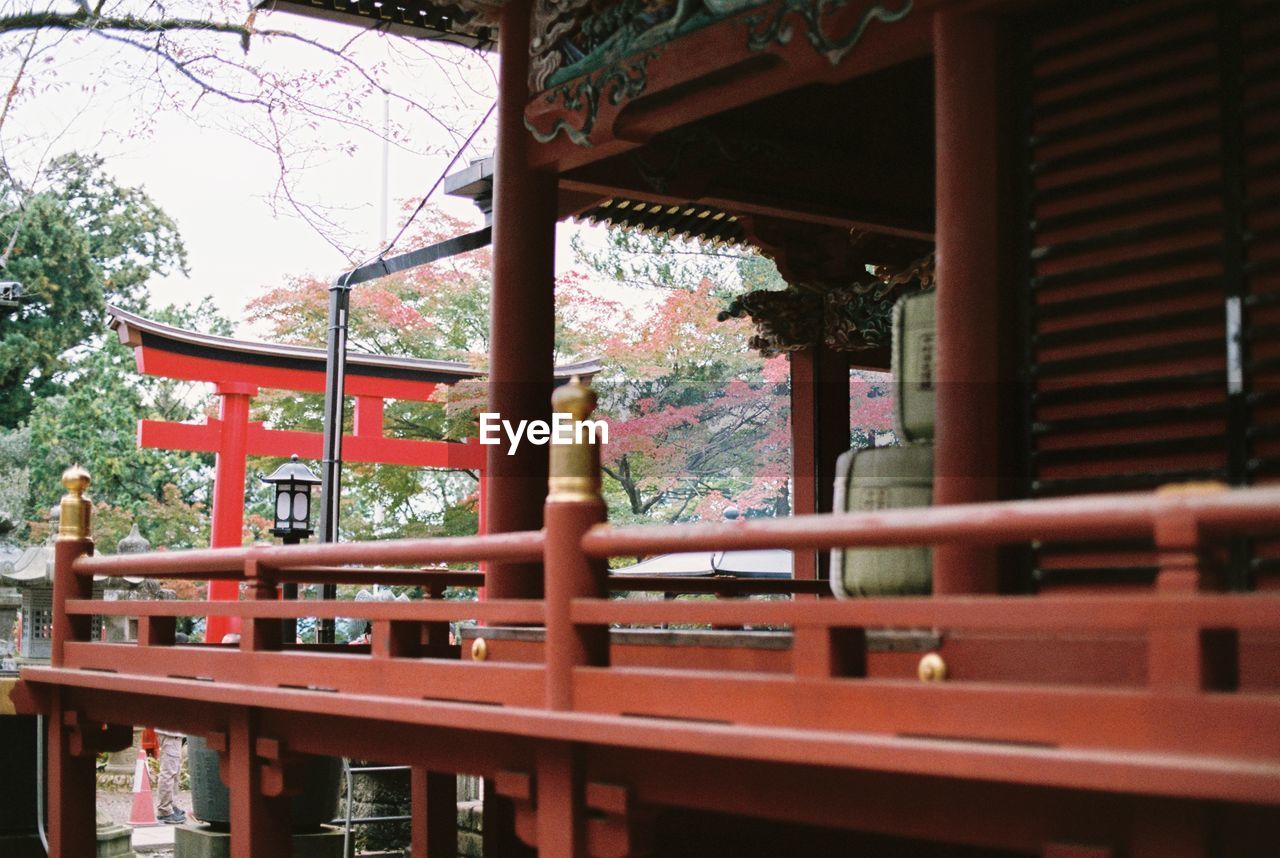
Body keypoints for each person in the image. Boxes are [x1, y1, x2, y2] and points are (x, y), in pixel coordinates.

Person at [155, 632, 189, 824]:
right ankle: (164, 809)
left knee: (173, 771)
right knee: (169, 771)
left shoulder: (168, 665)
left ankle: (171, 805)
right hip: (170, 728)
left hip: (172, 727)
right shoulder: (173, 667)